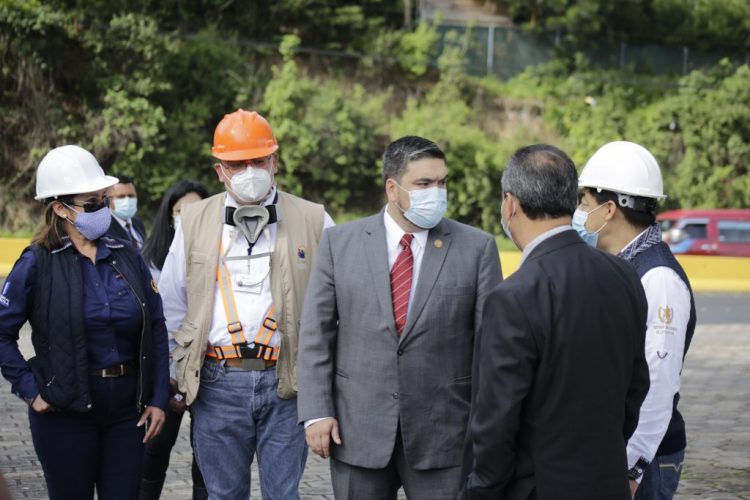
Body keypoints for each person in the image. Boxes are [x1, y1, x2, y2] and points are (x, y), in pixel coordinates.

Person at [297, 135, 503, 500]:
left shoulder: (476, 248)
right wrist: (316, 412)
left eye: (442, 182)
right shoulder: (339, 244)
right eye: (424, 184)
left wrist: (486, 424)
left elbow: (491, 347)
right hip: (357, 430)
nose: (436, 193)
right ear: (392, 189)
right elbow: (316, 334)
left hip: (445, 435)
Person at [158, 109, 334, 500]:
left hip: (288, 381)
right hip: (217, 381)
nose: (249, 171)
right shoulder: (193, 220)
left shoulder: (315, 219)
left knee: (283, 495)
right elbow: (172, 303)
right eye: (237, 164)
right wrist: (176, 370)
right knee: (223, 495)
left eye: (258, 160)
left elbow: (335, 308)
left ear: (275, 161)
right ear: (220, 170)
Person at [460, 144, 650, 500]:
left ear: (510, 204)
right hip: (605, 481)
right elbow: (636, 387)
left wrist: (480, 490)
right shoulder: (623, 275)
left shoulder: (513, 296)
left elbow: (496, 421)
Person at [0, 145, 169, 500]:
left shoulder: (126, 256)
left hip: (127, 413)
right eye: (92, 203)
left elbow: (155, 325)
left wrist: (157, 397)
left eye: (104, 200)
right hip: (64, 413)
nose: (103, 209)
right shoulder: (37, 263)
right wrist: (30, 389)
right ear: (60, 209)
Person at [575, 141, 696, 500]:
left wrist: (631, 469)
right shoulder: (621, 266)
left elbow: (658, 385)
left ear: (609, 209)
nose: (579, 212)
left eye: (584, 202)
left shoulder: (658, 278)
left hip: (643, 461)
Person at [139, 180, 210, 500]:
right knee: (156, 447)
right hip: (166, 372)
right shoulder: (149, 261)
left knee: (205, 454)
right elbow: (158, 324)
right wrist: (170, 374)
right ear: (169, 216)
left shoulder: (218, 253)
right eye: (182, 211)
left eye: (197, 209)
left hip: (210, 371)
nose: (189, 217)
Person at [107, 173, 147, 250]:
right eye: (121, 197)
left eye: (131, 196)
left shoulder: (138, 222)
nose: (127, 200)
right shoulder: (105, 228)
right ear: (108, 200)